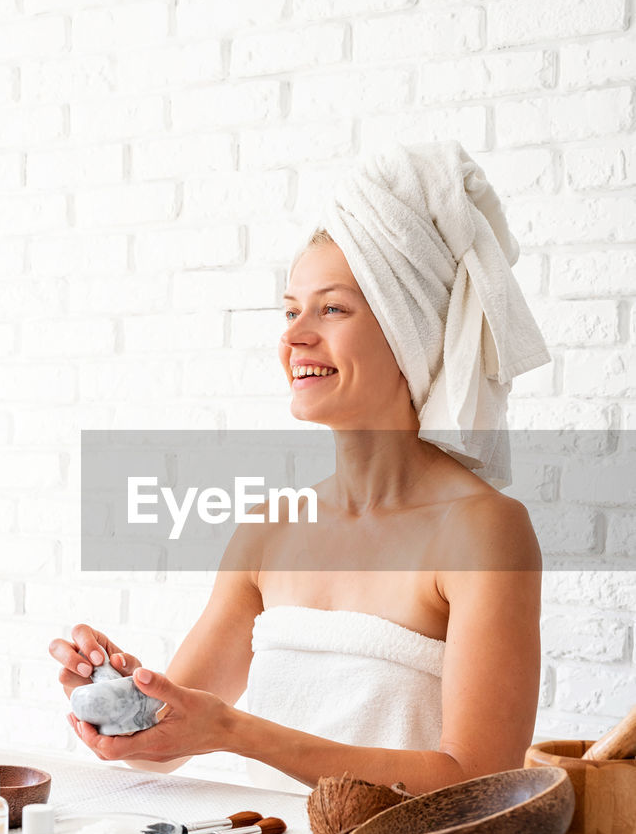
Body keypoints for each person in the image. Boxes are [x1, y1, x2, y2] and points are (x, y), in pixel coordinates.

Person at [49, 141, 550, 793]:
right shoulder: (269, 532)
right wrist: (123, 698)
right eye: (291, 311)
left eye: (331, 308)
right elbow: (164, 743)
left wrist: (232, 731)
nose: (293, 336)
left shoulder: (484, 532)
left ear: (411, 332)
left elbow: (479, 777)